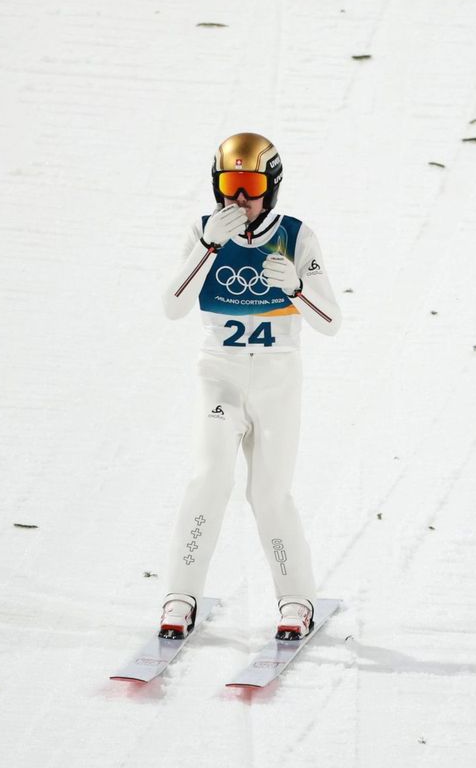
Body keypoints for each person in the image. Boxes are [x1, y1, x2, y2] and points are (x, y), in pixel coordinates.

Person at [157, 132, 343, 642]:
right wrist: (207, 247)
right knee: (209, 480)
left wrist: (298, 289)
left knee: (269, 492)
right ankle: (179, 595)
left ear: (272, 187)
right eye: (229, 185)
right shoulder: (202, 232)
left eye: (251, 185)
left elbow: (331, 321)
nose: (240, 199)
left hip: (278, 380)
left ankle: (295, 601)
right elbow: (173, 306)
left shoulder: (298, 235)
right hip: (220, 375)